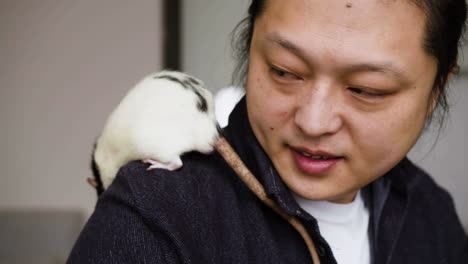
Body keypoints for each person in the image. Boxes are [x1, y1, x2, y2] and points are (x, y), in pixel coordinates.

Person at [68, 0, 468, 263]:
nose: (313, 122)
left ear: (435, 90)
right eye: (284, 71)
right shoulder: (157, 213)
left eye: (366, 90)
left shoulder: (430, 215)